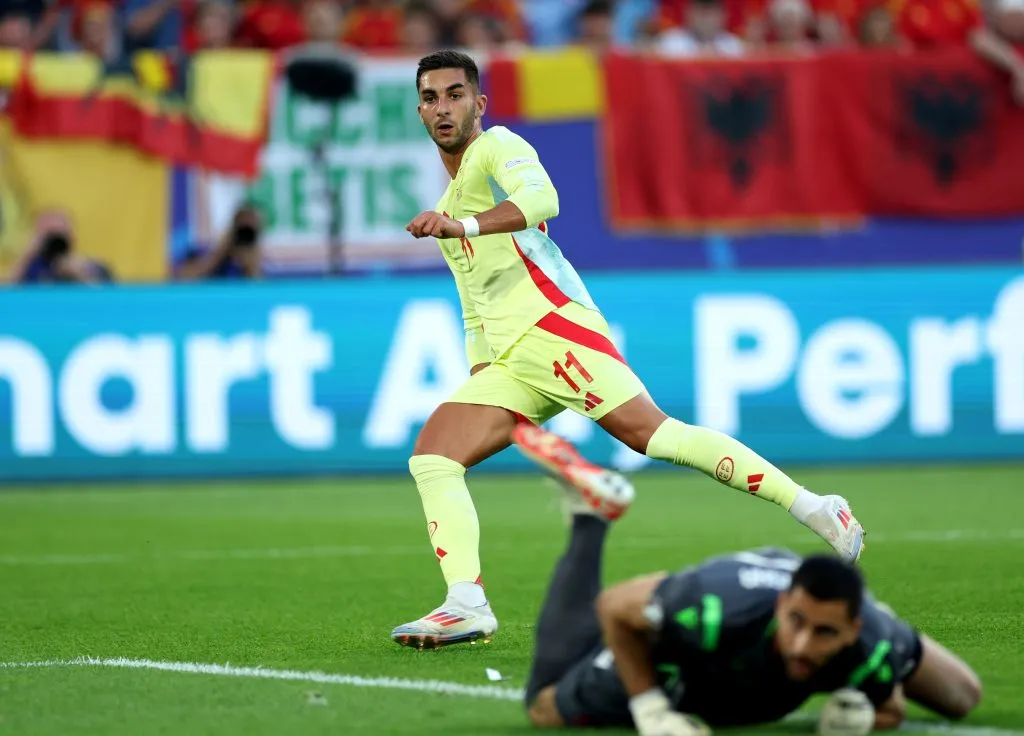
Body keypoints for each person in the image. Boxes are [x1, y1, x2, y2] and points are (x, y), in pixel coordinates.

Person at [391, 49, 864, 649]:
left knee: (656, 436)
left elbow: (543, 201)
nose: (443, 107)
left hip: (556, 329)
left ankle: (816, 507)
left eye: (455, 94)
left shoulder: (496, 148)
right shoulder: (451, 203)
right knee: (434, 457)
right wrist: (481, 374)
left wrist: (467, 227)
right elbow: (473, 301)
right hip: (512, 359)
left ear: (478, 103)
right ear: (420, 109)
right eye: (431, 98)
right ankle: (466, 603)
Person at [524, 482, 982, 735]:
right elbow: (616, 605)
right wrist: (649, 707)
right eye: (796, 622)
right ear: (784, 605)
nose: (801, 645)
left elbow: (895, 708)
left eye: (824, 633)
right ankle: (591, 515)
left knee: (961, 697)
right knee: (545, 706)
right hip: (683, 661)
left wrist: (865, 713)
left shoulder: (870, 641)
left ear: (852, 628)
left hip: (834, 616)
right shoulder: (711, 610)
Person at [5, 209, 113, 284]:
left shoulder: (92, 266)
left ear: (71, 235)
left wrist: (79, 274)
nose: (53, 240)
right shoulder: (29, 269)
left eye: (58, 233)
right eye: (48, 233)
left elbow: (105, 299)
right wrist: (26, 256)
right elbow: (6, 294)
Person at [174, 204, 263, 280]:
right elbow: (181, 277)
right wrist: (217, 256)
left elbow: (258, 290)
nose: (244, 235)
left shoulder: (261, 261)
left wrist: (251, 265)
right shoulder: (201, 252)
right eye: (242, 230)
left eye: (249, 230)